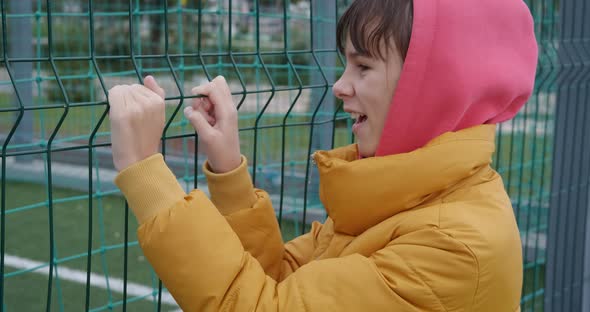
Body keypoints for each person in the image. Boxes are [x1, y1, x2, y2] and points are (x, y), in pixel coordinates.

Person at [108, 0, 538, 310]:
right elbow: (280, 282)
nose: (339, 85)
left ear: (438, 85)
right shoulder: (403, 194)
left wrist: (145, 173)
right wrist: (229, 170)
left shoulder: (453, 245)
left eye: (363, 66)